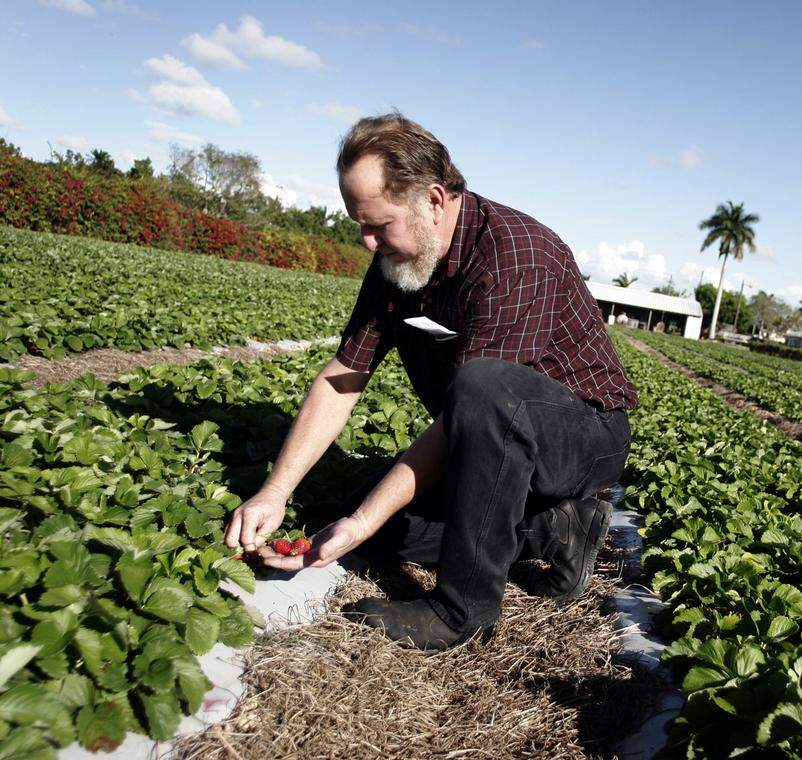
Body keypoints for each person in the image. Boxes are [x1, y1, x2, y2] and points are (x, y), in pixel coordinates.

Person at [223, 113, 637, 650]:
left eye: (380, 224)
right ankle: (554, 532)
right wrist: (274, 493)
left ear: (434, 200)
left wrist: (362, 521)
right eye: (359, 226)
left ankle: (463, 609)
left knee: (477, 391)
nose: (368, 243)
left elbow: (478, 406)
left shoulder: (517, 256)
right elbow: (343, 377)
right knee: (366, 516)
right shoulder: (398, 263)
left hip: (582, 435)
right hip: (493, 436)